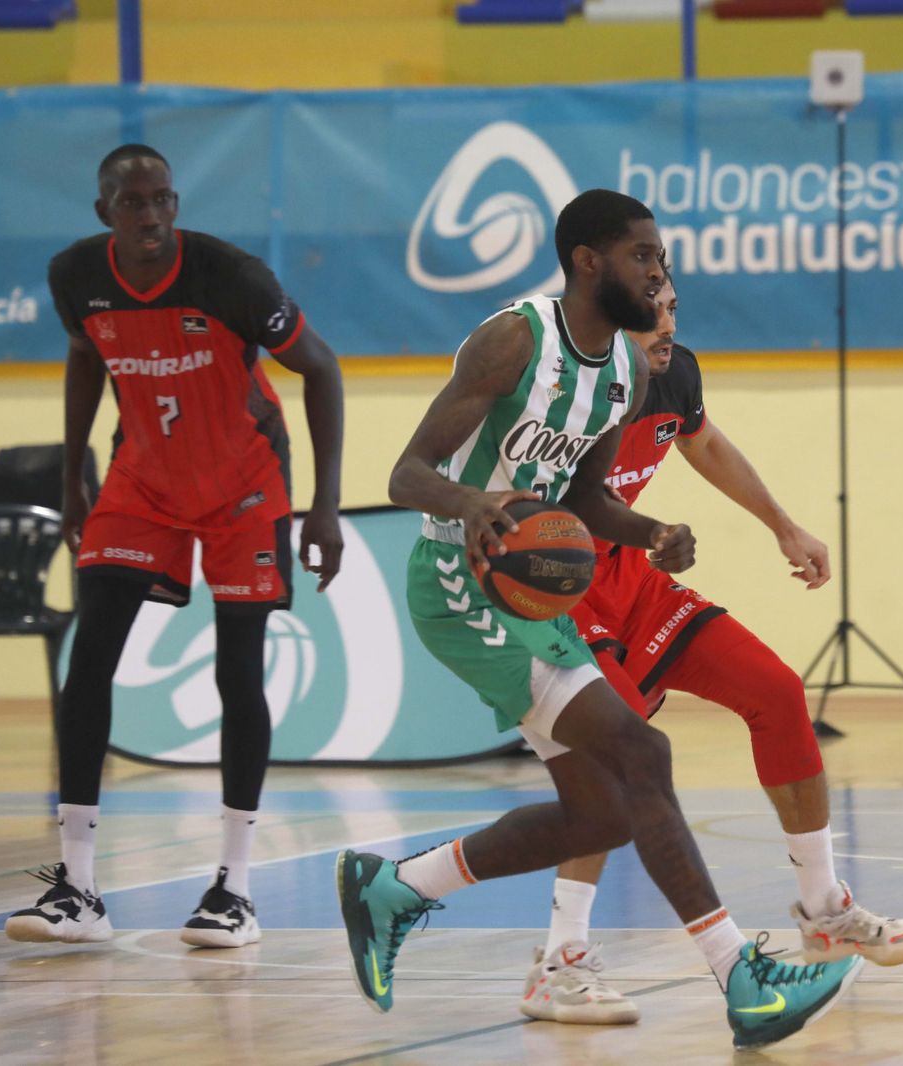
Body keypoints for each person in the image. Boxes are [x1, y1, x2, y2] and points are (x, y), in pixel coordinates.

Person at [337, 189, 861, 1051]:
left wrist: (649, 531)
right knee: (643, 752)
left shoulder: (631, 371)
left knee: (607, 811)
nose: (660, 275)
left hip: (532, 596)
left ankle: (396, 888)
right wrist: (473, 503)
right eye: (644, 257)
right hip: (461, 585)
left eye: (661, 262)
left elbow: (585, 499)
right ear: (588, 260)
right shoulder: (514, 341)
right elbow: (408, 473)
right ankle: (743, 979)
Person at [518, 270, 903, 1025]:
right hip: (560, 590)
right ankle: (559, 960)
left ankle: (823, 906)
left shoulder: (675, 374)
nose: (668, 322)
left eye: (673, 305)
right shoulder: (570, 395)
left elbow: (705, 443)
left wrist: (782, 525)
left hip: (631, 579)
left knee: (776, 691)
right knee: (616, 764)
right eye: (651, 310)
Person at [5, 144, 344, 949]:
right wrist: (70, 477)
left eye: (161, 199)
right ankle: (78, 888)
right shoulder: (75, 277)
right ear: (105, 214)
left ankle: (234, 888)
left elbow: (322, 369)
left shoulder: (231, 277)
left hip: (244, 485)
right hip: (142, 484)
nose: (151, 216)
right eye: (133, 203)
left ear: (175, 203)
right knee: (88, 661)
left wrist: (325, 510)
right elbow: (86, 355)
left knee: (238, 670)